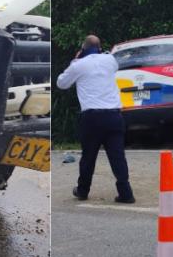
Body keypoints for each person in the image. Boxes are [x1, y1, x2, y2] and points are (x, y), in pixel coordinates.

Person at [56, 35, 135, 203]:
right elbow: (110, 62)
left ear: (83, 49)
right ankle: (126, 193)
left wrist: (74, 61)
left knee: (88, 157)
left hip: (92, 118)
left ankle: (83, 191)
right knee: (117, 156)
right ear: (99, 47)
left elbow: (61, 83)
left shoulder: (78, 65)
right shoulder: (110, 60)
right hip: (114, 116)